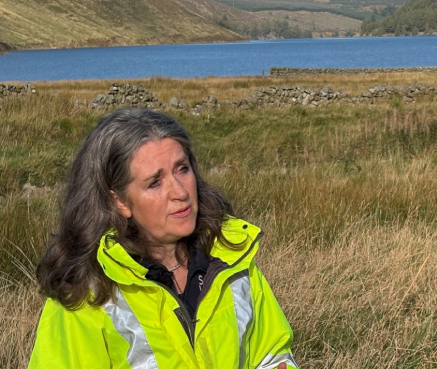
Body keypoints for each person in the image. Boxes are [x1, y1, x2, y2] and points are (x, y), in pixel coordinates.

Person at [28, 108, 297, 369]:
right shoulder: (86, 293)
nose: (180, 191)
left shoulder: (233, 258)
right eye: (154, 182)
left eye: (182, 169)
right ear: (119, 201)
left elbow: (273, 355)